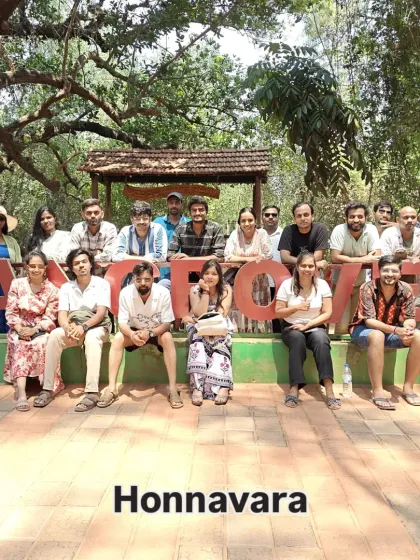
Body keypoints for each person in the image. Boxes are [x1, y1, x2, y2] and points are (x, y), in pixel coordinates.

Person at [97, 262, 183, 409]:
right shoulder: (125, 293)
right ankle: (112, 389)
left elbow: (167, 323)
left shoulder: (162, 292)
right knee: (118, 338)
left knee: (167, 337)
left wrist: (150, 333)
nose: (143, 283)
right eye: (139, 279)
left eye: (147, 279)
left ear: (153, 279)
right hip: (134, 331)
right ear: (133, 279)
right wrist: (132, 334)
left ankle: (173, 389)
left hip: (155, 332)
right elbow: (122, 323)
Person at [33, 249, 111, 411]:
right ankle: (47, 389)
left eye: (84, 262)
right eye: (76, 263)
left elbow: (101, 313)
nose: (81, 266)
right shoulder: (67, 287)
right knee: (54, 335)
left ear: (90, 264)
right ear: (71, 268)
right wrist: (68, 328)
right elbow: (62, 314)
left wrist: (83, 327)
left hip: (98, 327)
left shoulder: (102, 284)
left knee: (91, 338)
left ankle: (92, 392)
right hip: (74, 327)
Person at [350, 255, 420, 410]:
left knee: (418, 336)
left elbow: (410, 317)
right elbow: (369, 321)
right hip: (363, 332)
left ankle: (408, 388)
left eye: (394, 271)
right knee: (377, 335)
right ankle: (377, 391)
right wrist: (396, 330)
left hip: (391, 332)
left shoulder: (405, 289)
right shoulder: (368, 287)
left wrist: (407, 328)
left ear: (400, 274)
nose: (390, 274)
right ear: (379, 272)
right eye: (386, 270)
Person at [275, 252, 340, 409]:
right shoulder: (287, 285)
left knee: (321, 340)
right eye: (303, 265)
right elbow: (278, 312)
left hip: (314, 326)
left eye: (311, 266)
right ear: (297, 267)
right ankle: (294, 388)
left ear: (315, 267)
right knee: (297, 339)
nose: (307, 269)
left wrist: (308, 325)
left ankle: (329, 389)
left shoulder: (322, 285)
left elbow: (327, 313)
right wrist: (296, 307)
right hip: (291, 326)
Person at [4, 250, 64, 411]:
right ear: (26, 267)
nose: (36, 270)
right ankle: (22, 392)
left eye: (39, 266)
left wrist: (34, 330)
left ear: (45, 268)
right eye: (32, 266)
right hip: (19, 326)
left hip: (40, 329)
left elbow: (50, 317)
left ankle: (46, 387)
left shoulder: (52, 290)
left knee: (43, 342)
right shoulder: (17, 284)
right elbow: (11, 311)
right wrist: (19, 329)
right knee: (19, 342)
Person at [186, 259, 233, 405]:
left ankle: (223, 386)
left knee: (220, 340)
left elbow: (221, 314)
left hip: (218, 325)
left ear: (219, 276)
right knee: (197, 341)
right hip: (198, 325)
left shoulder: (225, 289)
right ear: (202, 275)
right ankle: (197, 388)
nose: (210, 277)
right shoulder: (195, 290)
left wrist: (198, 319)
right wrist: (205, 291)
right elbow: (199, 312)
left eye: (214, 274)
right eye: (206, 273)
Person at [330, 202, 381, 333]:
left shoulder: (371, 230)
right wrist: (363, 259)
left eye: (360, 216)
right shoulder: (339, 230)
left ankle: (354, 354)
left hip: (362, 285)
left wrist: (347, 259)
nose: (356, 220)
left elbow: (377, 256)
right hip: (341, 283)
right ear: (346, 219)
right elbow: (335, 257)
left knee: (355, 324)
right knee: (340, 326)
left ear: (366, 218)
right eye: (352, 217)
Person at [224, 207, 272, 332]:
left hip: (259, 281)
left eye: (250, 220)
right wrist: (250, 260)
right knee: (239, 311)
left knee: (258, 311)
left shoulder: (262, 234)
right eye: (243, 221)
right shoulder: (235, 235)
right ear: (239, 223)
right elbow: (228, 256)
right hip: (239, 280)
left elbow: (267, 256)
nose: (247, 224)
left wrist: (239, 259)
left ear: (256, 221)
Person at [167, 196, 225, 285]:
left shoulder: (216, 228)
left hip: (209, 276)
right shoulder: (180, 228)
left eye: (201, 210)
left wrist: (189, 259)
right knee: (164, 284)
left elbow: (219, 257)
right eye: (194, 210)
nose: (197, 213)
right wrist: (178, 258)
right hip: (185, 275)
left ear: (206, 212)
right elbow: (169, 255)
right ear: (190, 213)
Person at [69, 198, 117, 275]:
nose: (93, 216)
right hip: (82, 275)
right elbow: (74, 255)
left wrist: (84, 257)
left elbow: (108, 256)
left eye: (96, 212)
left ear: (102, 214)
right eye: (89, 213)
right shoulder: (77, 228)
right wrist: (96, 253)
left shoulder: (110, 228)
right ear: (83, 215)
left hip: (105, 275)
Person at [154, 192, 190, 289]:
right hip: (162, 270)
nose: (174, 205)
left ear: (182, 205)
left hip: (185, 270)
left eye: (177, 202)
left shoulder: (190, 223)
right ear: (167, 204)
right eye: (171, 202)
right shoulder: (157, 223)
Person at [278, 202, 329, 270]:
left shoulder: (320, 229)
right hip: (293, 272)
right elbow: (284, 257)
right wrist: (311, 263)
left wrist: (301, 263)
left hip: (313, 272)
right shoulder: (288, 230)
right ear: (294, 219)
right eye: (299, 216)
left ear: (312, 217)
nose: (302, 218)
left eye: (306, 215)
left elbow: (318, 257)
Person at [0, 206, 22, 333]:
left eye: (1, 218)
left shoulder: (12, 241)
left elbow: (19, 264)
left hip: (8, 283)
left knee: (9, 311)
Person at [262, 204, 283, 333]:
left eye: (274, 215)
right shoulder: (257, 234)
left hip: (279, 281)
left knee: (278, 314)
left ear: (278, 218)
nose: (270, 217)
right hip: (261, 281)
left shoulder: (285, 234)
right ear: (262, 217)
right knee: (262, 314)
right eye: (267, 215)